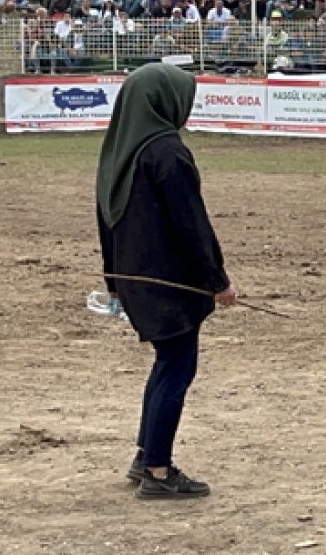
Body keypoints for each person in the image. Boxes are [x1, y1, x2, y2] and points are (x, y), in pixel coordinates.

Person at [95, 63, 237, 500]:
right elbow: (191, 223)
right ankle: (158, 470)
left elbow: (106, 221)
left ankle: (146, 455)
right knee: (177, 367)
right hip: (170, 283)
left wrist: (114, 282)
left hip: (134, 278)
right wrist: (218, 280)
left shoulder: (120, 152)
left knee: (167, 363)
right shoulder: (166, 152)